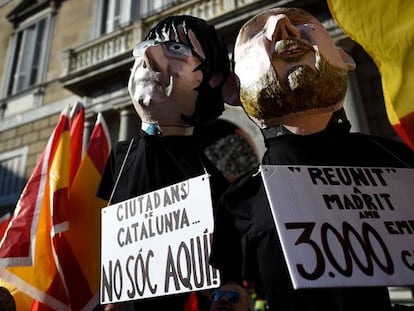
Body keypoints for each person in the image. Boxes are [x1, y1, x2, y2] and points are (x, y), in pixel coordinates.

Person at [210, 7, 414, 311]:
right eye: (255, 35)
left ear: (344, 59)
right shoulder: (236, 206)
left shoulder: (399, 166)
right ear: (234, 91)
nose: (282, 26)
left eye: (303, 23)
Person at [97, 15, 231, 310]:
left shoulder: (208, 176)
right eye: (145, 46)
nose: (147, 54)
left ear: (211, 79)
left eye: (176, 49)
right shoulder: (120, 158)